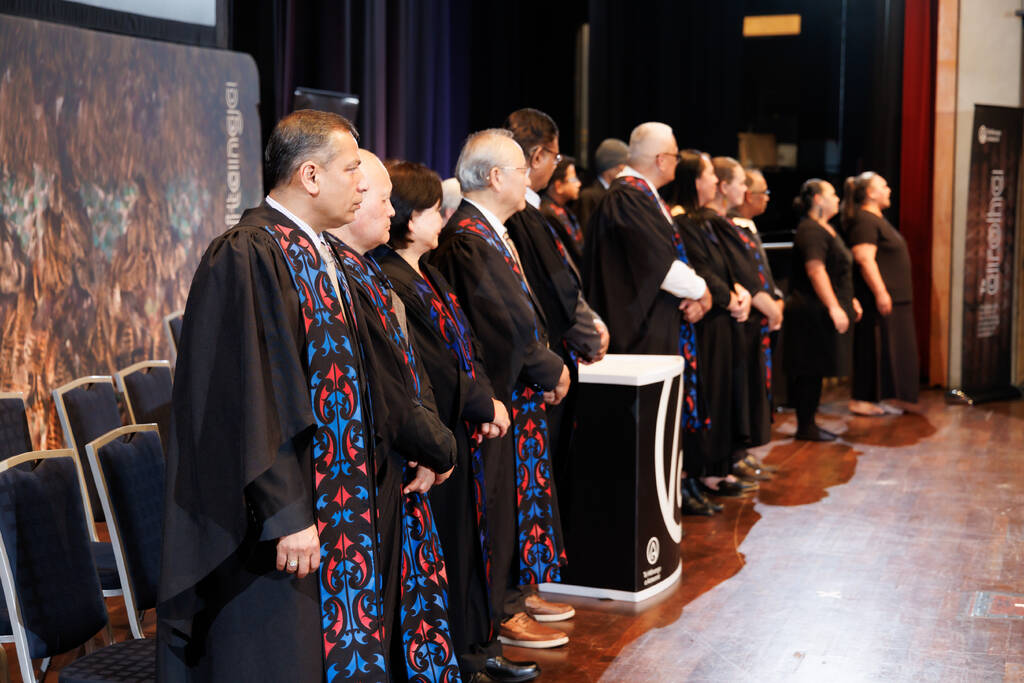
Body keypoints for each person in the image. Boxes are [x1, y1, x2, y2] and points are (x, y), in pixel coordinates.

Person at [158, 110, 453, 682]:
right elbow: (246, 393)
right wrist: (285, 511)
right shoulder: (247, 253)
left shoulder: (323, 255)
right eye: (352, 172)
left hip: (338, 507)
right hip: (278, 528)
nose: (361, 185)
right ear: (311, 176)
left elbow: (370, 377)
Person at [373, 160, 540, 683]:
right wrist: (480, 405)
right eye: (430, 210)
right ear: (407, 216)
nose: (442, 216)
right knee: (452, 551)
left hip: (467, 430)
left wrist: (488, 399)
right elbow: (433, 368)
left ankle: (479, 646)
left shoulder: (431, 273)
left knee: (475, 546)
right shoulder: (390, 279)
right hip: (437, 438)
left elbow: (470, 348)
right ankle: (463, 656)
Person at [323, 149, 465, 680]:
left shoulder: (372, 274)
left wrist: (432, 446)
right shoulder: (338, 279)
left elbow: (417, 376)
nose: (389, 212)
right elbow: (386, 393)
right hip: (370, 475)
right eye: (382, 201)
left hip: (405, 463)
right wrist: (435, 445)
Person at [430, 128, 573, 651]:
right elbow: (499, 327)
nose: (530, 177)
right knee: (496, 504)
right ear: (495, 177)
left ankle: (515, 595)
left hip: (516, 395)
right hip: (494, 402)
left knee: (517, 499)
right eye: (520, 169)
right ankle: (501, 609)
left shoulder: (491, 232)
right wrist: (545, 367)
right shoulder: (469, 239)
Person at [584, 124, 712, 514]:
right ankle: (646, 511)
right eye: (674, 154)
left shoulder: (642, 196)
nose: (676, 161)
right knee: (642, 432)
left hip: (656, 322)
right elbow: (659, 264)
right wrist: (701, 291)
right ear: (661, 159)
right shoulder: (628, 197)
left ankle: (666, 497)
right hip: (637, 332)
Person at [665, 150, 753, 510]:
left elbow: (724, 266)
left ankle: (715, 469)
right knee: (704, 400)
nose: (716, 182)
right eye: (709, 175)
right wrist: (726, 296)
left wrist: (740, 290)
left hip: (721, 317)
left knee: (720, 395)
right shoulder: (682, 221)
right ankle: (699, 473)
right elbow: (699, 269)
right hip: (705, 324)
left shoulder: (703, 220)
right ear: (694, 181)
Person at [708, 157, 782, 482]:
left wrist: (774, 300)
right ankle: (731, 458)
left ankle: (742, 453)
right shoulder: (720, 223)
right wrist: (768, 304)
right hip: (740, 318)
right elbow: (743, 274)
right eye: (743, 183)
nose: (749, 191)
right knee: (737, 391)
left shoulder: (736, 224)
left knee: (751, 389)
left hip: (754, 318)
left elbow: (758, 271)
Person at [785, 179, 861, 440]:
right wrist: (834, 306)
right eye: (832, 194)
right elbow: (816, 270)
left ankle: (810, 424)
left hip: (820, 310)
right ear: (817, 198)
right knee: (809, 368)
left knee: (816, 369)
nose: (838, 198)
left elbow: (837, 271)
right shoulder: (810, 231)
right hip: (810, 311)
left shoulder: (824, 228)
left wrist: (849, 301)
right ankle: (805, 426)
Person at [843, 172, 919, 415]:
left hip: (895, 298)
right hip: (877, 297)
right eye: (883, 186)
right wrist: (881, 292)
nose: (889, 190)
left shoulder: (875, 219)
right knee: (871, 346)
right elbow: (864, 259)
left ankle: (879, 397)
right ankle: (861, 399)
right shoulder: (865, 221)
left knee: (885, 348)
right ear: (870, 193)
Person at [576, 137, 628, 231]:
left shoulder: (617, 193)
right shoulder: (589, 197)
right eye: (623, 168)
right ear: (613, 168)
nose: (626, 172)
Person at [540, 156, 585, 263]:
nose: (579, 184)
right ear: (558, 186)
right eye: (573, 179)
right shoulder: (548, 214)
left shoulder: (562, 209)